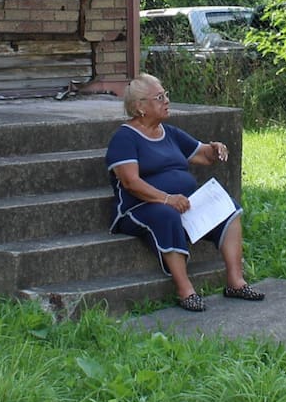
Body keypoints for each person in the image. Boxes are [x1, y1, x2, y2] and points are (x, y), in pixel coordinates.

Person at [105, 73, 264, 311]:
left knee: (228, 207)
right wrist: (167, 199)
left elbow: (202, 154)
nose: (167, 100)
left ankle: (235, 282)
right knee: (166, 215)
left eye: (165, 95)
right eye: (159, 97)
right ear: (140, 107)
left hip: (181, 202)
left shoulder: (169, 133)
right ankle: (185, 290)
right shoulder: (125, 138)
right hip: (138, 208)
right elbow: (131, 183)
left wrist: (215, 149)